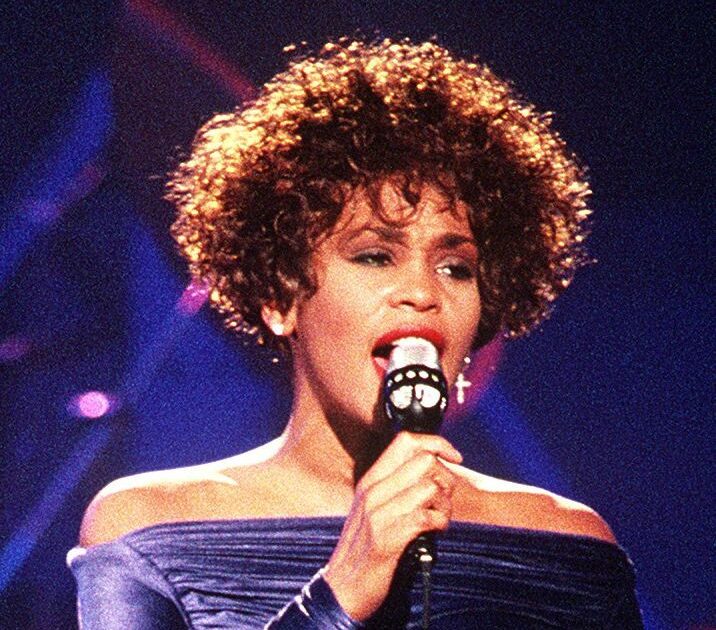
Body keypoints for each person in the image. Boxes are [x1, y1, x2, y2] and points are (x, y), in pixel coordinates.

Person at [68, 38, 643, 628]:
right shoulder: (147, 527)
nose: (422, 292)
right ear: (279, 298)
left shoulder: (568, 544)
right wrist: (340, 592)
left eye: (456, 267)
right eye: (374, 256)